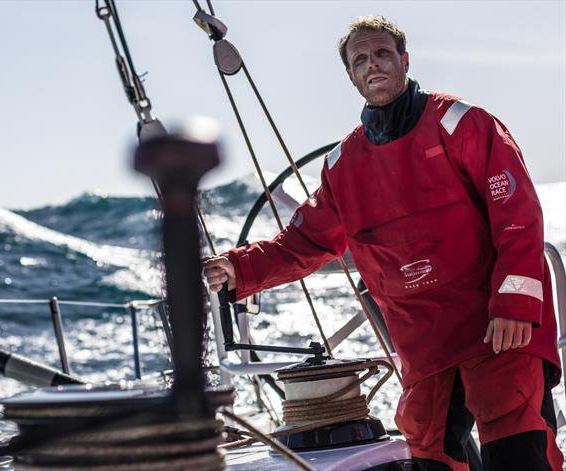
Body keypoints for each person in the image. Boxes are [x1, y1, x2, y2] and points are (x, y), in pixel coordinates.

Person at [203, 15, 563, 471]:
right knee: (428, 453)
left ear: (404, 61)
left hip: (495, 326)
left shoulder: (462, 124)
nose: (372, 65)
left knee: (517, 448)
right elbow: (304, 241)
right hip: (423, 341)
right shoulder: (343, 164)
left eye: (381, 54)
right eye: (360, 60)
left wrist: (514, 306)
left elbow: (518, 215)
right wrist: (241, 269)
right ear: (351, 76)